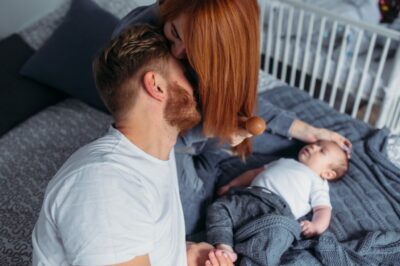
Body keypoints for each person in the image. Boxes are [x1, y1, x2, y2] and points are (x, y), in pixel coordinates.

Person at [113, 0, 352, 236]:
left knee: (290, 144)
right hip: (169, 136)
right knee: (190, 219)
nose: (178, 51)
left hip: (202, 130)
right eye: (174, 33)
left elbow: (242, 104)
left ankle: (215, 156)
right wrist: (211, 130)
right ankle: (209, 168)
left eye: (196, 53)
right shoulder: (141, 49)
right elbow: (154, 135)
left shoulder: (216, 54)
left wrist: (311, 132)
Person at [32, 25, 233, 266]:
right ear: (156, 86)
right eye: (188, 75)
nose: (198, 88)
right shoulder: (105, 185)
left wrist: (186, 256)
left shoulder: (155, 156)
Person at [207, 140, 349, 262]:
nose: (313, 147)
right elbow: (254, 173)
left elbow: (323, 209)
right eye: (316, 143)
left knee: (274, 240)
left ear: (328, 173)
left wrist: (316, 226)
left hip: (278, 213)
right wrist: (232, 185)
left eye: (322, 150)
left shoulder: (317, 182)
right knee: (219, 207)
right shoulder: (284, 161)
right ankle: (224, 246)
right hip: (250, 196)